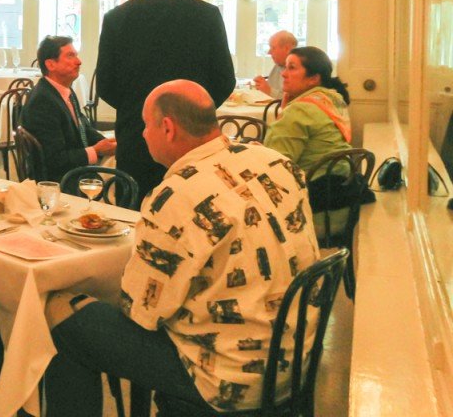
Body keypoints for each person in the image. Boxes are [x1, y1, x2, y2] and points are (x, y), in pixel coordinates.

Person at [43, 80, 320, 416]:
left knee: (61, 315)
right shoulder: (276, 162)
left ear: (168, 128)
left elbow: (141, 313)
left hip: (224, 380)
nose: (143, 135)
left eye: (146, 125)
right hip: (295, 361)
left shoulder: (176, 195)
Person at [96, 0, 235, 201]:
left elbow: (105, 83)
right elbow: (225, 79)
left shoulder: (117, 17)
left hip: (137, 132)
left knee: (135, 209)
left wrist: (142, 111)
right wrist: (194, 111)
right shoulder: (207, 14)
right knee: (196, 208)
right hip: (194, 136)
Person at [19, 36, 116, 185]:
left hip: (73, 171)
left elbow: (83, 126)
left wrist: (104, 142)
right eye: (70, 56)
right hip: (61, 181)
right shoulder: (43, 101)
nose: (79, 61)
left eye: (76, 55)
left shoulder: (64, 90)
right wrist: (95, 151)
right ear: (51, 64)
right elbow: (54, 160)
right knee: (123, 177)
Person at [264, 46, 353, 182]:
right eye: (286, 67)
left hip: (312, 190)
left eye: (292, 68)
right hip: (342, 183)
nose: (284, 74)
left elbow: (275, 163)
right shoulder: (330, 100)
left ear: (313, 79)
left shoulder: (300, 110)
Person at [253, 30, 297, 98]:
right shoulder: (278, 65)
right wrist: (260, 85)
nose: (269, 52)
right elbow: (273, 87)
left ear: (287, 48)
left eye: (273, 48)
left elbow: (294, 100)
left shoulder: (299, 69)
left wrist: (269, 91)